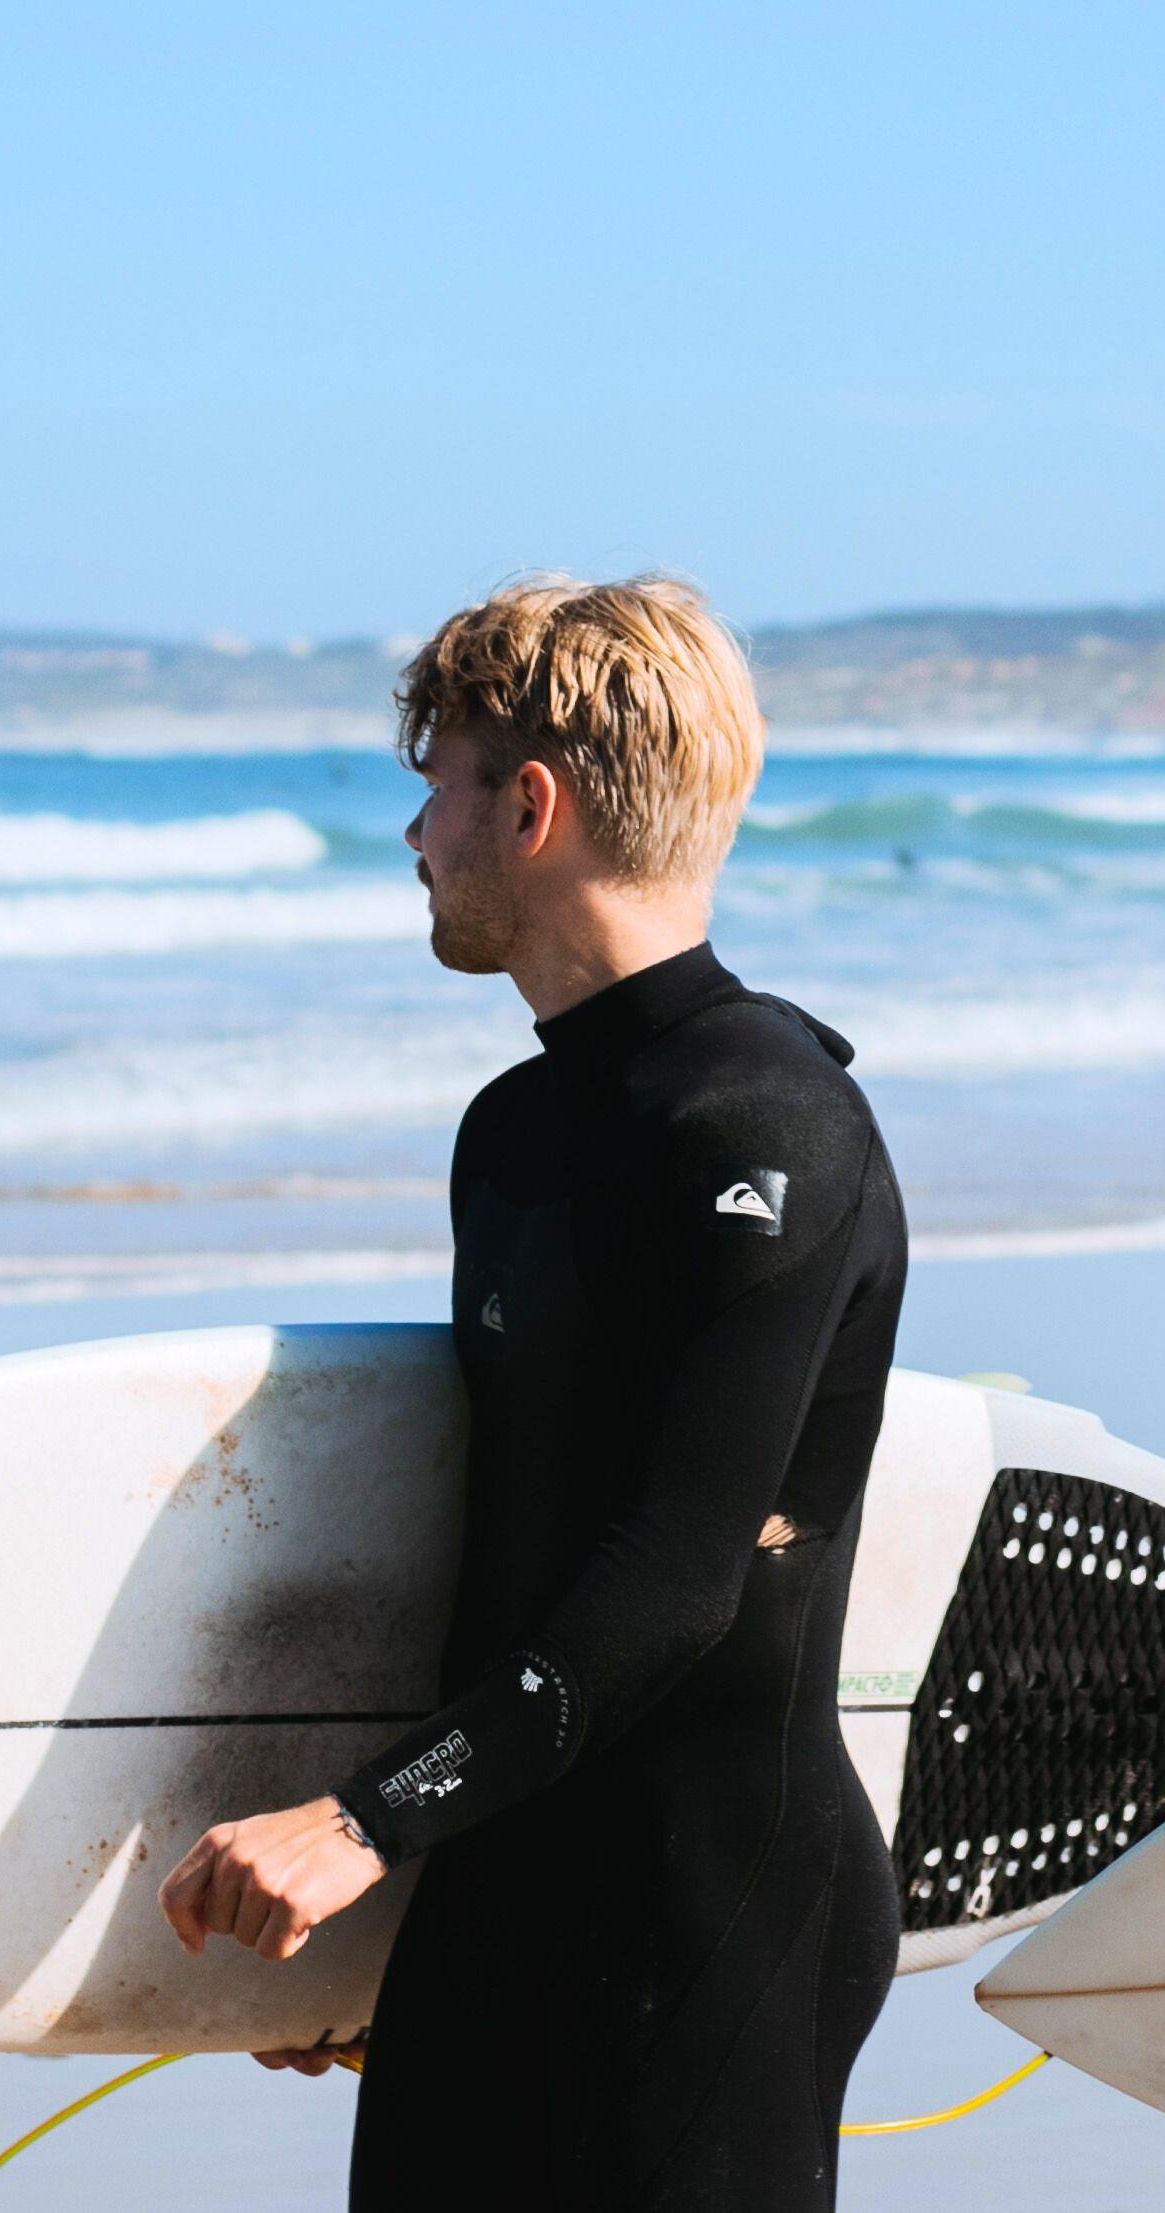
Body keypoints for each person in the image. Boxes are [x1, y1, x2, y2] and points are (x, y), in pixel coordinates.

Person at [154, 574, 908, 2211]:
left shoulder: (764, 1128)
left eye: (438, 785)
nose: (417, 832)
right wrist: (392, 1890)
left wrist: (359, 1825)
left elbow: (679, 1573)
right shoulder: (512, 1134)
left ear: (535, 803)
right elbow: (507, 1556)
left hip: (709, 1913)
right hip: (498, 1885)